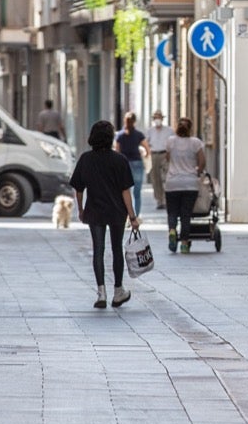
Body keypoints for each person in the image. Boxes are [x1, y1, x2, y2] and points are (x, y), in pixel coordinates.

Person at [71, 120, 138, 309]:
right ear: (110, 138)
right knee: (117, 249)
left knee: (98, 250)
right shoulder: (120, 160)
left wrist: (81, 209)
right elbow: (126, 191)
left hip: (95, 210)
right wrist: (132, 216)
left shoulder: (85, 159)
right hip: (117, 211)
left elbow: (78, 189)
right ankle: (118, 291)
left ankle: (101, 293)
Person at [163, 118, 207, 253]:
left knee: (172, 212)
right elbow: (202, 162)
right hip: (190, 183)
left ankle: (172, 230)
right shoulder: (196, 142)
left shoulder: (170, 141)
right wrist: (196, 172)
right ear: (190, 128)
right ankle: (183, 244)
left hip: (172, 183)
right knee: (185, 215)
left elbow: (167, 158)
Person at [115, 111, 150, 217]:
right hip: (137, 163)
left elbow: (117, 152)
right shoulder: (139, 134)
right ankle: (135, 215)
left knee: (125, 191)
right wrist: (145, 155)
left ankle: (126, 214)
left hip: (124, 165)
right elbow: (147, 149)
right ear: (135, 121)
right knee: (137, 192)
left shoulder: (120, 135)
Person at [147, 110, 174, 210]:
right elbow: (146, 142)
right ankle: (159, 200)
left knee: (167, 177)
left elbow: (172, 143)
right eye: (156, 118)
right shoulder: (150, 131)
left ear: (162, 119)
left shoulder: (169, 130)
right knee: (156, 178)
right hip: (154, 155)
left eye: (159, 117)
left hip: (165, 154)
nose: (157, 119)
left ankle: (166, 199)